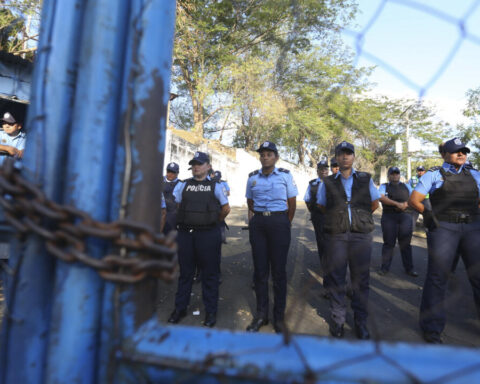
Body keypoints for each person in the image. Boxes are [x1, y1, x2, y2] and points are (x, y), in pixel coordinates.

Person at [409, 137, 480, 344]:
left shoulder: (475, 174)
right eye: (457, 151)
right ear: (445, 154)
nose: (461, 154)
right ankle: (432, 329)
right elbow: (414, 200)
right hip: (444, 229)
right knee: (438, 277)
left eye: (464, 151)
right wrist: (430, 216)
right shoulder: (434, 174)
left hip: (472, 228)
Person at [316, 141, 380, 340]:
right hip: (337, 236)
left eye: (348, 153)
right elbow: (322, 206)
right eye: (341, 154)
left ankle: (360, 322)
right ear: (336, 157)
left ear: (353, 157)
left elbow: (374, 203)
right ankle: (338, 320)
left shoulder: (365, 179)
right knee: (336, 277)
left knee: (360, 280)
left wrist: (358, 219)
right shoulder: (327, 182)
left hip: (361, 236)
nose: (345, 157)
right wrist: (340, 218)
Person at [167, 151, 230, 328]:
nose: (196, 166)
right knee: (185, 273)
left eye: (200, 163)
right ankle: (180, 309)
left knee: (210, 274)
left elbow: (226, 209)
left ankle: (210, 311)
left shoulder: (216, 186)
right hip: (186, 234)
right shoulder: (183, 185)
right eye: (194, 164)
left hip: (208, 235)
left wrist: (210, 221)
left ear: (208, 166)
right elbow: (179, 205)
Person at [245, 141, 297, 333]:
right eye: (262, 154)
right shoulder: (252, 178)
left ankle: (279, 318)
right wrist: (261, 217)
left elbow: (292, 203)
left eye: (269, 154)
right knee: (260, 271)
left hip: (279, 223)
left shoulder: (285, 175)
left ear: (276, 157)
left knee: (279, 272)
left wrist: (284, 222)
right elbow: (250, 202)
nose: (265, 157)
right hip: (259, 223)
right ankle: (261, 315)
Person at [378, 167, 418, 277]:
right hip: (389, 216)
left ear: (399, 175)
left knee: (405, 244)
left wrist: (405, 204)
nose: (395, 175)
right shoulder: (384, 186)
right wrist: (397, 204)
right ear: (389, 175)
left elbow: (414, 197)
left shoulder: (406, 186)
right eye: (393, 174)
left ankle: (409, 269)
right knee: (389, 243)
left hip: (405, 216)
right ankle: (384, 268)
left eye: (397, 173)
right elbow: (380, 197)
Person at [304, 160, 330, 297]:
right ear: (317, 171)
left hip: (334, 219)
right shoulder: (312, 184)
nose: (324, 171)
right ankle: (328, 282)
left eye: (326, 169)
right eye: (321, 169)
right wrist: (314, 213)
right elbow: (307, 200)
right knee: (323, 247)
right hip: (319, 219)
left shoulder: (335, 182)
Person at [162, 162, 180, 234]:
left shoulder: (180, 184)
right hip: (159, 213)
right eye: (168, 171)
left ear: (177, 173)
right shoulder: (160, 180)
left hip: (171, 216)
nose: (170, 174)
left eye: (173, 172)